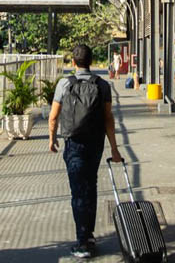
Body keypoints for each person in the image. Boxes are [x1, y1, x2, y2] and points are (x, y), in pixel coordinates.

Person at [49, 44, 123, 259]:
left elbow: (53, 116)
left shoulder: (64, 83)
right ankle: (88, 235)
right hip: (95, 143)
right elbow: (109, 119)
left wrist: (52, 139)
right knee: (90, 185)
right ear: (91, 61)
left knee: (78, 191)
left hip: (73, 144)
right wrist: (115, 150)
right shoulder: (103, 86)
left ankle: (83, 242)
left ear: (73, 62)